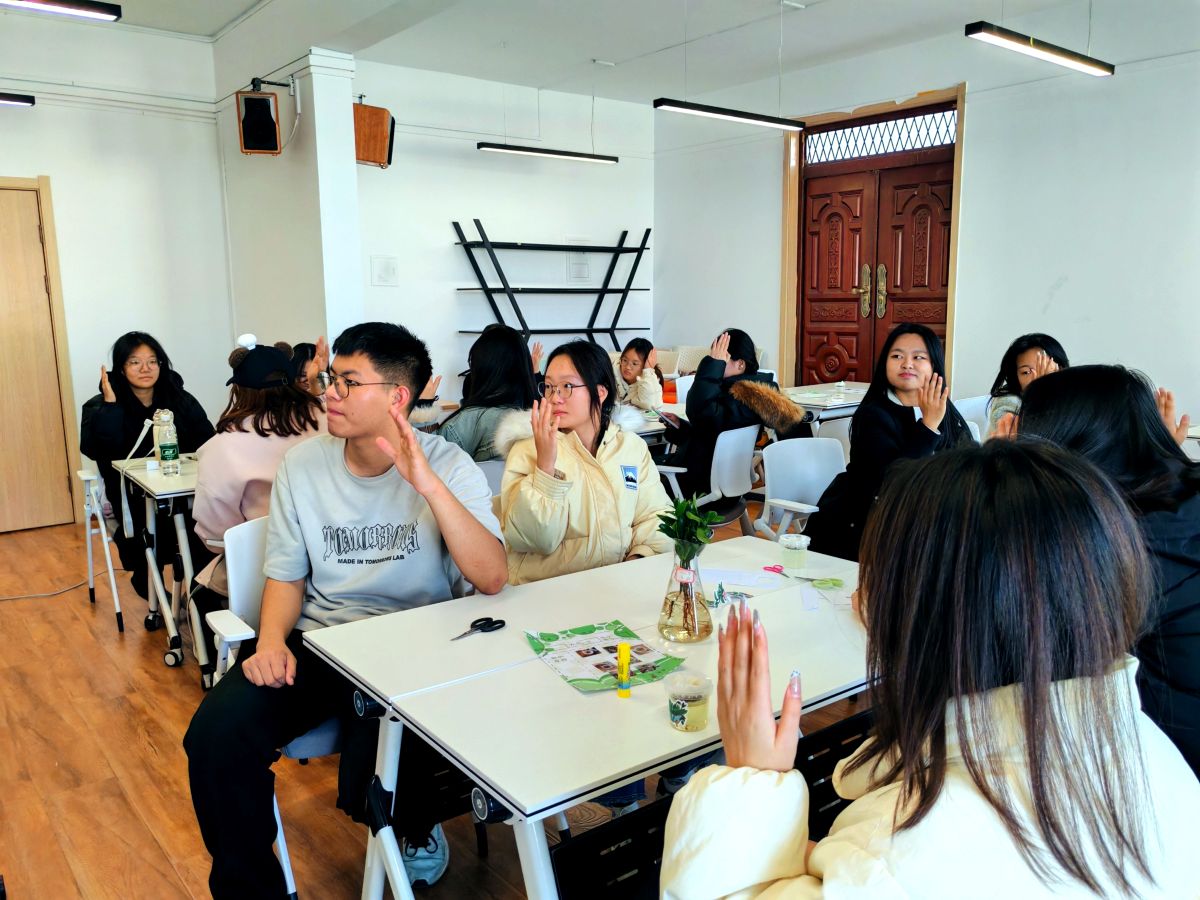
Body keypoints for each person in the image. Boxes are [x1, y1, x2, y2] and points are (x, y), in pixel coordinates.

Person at [661, 440, 1200, 898]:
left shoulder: (897, 857)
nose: (860, 598)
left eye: (877, 578)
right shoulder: (1159, 759)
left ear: (927, 614)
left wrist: (753, 781)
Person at [183, 322, 507, 898]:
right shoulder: (303, 465)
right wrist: (271, 641)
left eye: (348, 382)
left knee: (387, 751)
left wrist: (428, 486)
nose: (328, 392)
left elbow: (491, 576)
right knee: (215, 737)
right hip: (325, 642)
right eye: (331, 378)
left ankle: (411, 824)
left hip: (417, 645)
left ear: (398, 396)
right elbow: (287, 574)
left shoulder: (448, 463)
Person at [1017, 365, 1199, 775]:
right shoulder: (1177, 495)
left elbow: (1026, 651)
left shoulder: (1110, 543)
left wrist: (1004, 489)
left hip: (1168, 763)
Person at [191, 339, 325, 667]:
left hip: (262, 572)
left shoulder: (223, 446)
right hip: (332, 561)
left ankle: (220, 668)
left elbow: (215, 534)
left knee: (199, 592)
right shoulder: (328, 420)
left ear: (239, 390)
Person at [497, 339, 673, 586]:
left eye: (567, 386)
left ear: (600, 392)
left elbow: (657, 515)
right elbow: (535, 539)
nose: (555, 398)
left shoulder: (629, 447)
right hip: (545, 594)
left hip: (617, 588)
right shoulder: (528, 448)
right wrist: (545, 468)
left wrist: (638, 559)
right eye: (549, 387)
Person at [805, 323, 971, 561]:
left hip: (927, 522)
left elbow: (964, 465)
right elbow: (894, 483)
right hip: (869, 527)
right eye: (897, 356)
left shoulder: (942, 408)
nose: (907, 364)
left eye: (918, 357)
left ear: (934, 365)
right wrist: (928, 427)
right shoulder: (874, 415)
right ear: (885, 363)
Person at [80, 331, 215, 598]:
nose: (145, 369)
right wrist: (110, 406)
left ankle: (201, 593)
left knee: (204, 521)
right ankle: (148, 580)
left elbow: (207, 441)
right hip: (131, 493)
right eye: (135, 362)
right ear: (121, 368)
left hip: (182, 487)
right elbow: (95, 450)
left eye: (153, 361)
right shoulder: (99, 406)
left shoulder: (180, 399)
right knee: (149, 525)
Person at [662, 329, 802, 499]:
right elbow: (710, 434)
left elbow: (700, 413)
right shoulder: (749, 396)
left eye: (722, 358)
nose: (717, 361)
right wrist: (681, 426)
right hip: (720, 487)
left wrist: (711, 366)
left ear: (740, 364)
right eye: (714, 356)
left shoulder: (741, 399)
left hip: (700, 489)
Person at [434, 325, 538, 461]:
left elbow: (428, 463)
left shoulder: (458, 427)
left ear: (481, 367)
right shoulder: (542, 423)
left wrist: (423, 410)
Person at [986, 332, 1069, 437]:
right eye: (1026, 372)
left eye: (1046, 369)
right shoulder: (1007, 403)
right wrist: (1040, 393)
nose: (1037, 378)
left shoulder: (1072, 396)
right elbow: (1029, 440)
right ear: (1015, 377)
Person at [614, 337, 664, 410]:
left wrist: (648, 371)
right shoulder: (612, 374)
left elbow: (649, 405)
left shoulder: (650, 379)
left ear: (645, 365)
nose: (627, 367)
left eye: (634, 363)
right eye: (624, 360)